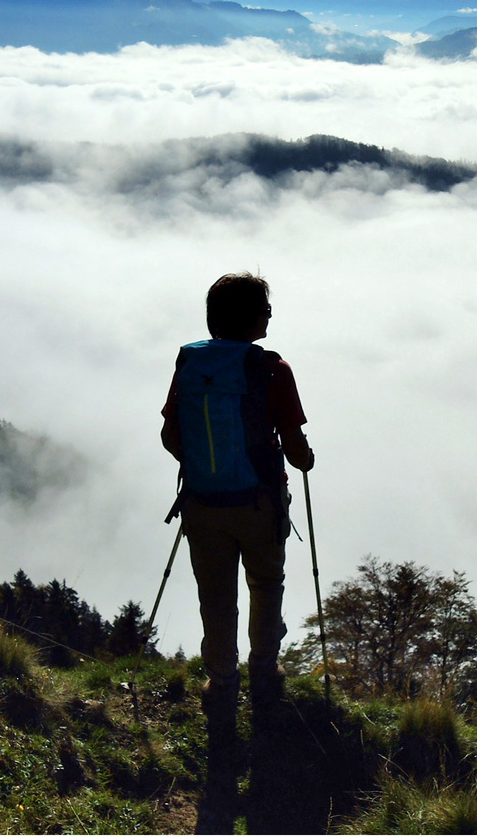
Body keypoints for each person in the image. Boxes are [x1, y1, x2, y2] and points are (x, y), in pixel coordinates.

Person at [160, 272, 314, 713]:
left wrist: (206, 466)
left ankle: (222, 682)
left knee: (216, 594)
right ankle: (264, 671)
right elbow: (296, 447)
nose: (269, 317)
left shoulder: (190, 365)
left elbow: (172, 436)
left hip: (203, 504)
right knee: (266, 585)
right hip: (260, 503)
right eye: (265, 310)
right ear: (251, 319)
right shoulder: (271, 369)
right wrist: (305, 461)